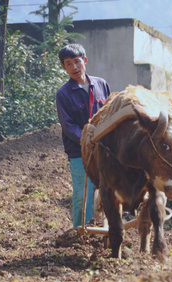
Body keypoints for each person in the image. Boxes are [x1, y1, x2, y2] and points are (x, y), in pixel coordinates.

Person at [56, 43, 111, 228]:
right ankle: (81, 233)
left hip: (105, 149)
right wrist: (88, 139)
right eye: (68, 64)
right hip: (79, 151)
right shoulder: (63, 94)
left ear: (85, 61)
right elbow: (67, 125)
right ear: (64, 67)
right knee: (82, 195)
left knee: (108, 191)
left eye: (77, 62)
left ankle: (105, 229)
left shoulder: (102, 85)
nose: (74, 67)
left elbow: (111, 114)